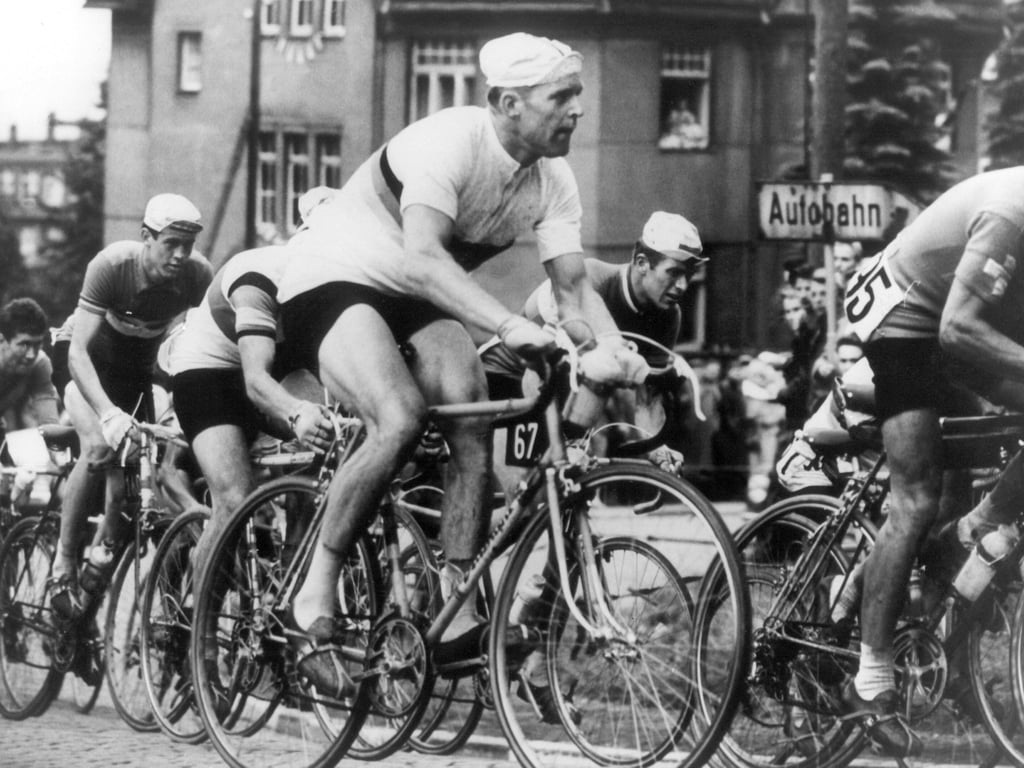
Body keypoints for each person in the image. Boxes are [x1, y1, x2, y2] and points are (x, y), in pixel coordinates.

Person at [275, 31, 641, 697]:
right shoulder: (450, 139)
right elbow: (420, 256)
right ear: (508, 102)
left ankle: (455, 611)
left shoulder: (552, 179)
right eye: (562, 97)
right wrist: (506, 324)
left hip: (410, 296)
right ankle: (315, 590)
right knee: (400, 417)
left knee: (473, 415)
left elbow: (572, 290)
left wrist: (613, 349)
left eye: (577, 96)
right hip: (330, 278)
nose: (577, 110)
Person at [840, 167, 1024, 757]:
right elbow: (957, 330)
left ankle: (973, 528)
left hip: (956, 313)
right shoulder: (1010, 215)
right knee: (916, 501)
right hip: (907, 320)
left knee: (956, 505)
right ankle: (870, 681)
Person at [49, 193, 213, 620]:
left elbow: (201, 349)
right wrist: (106, 413)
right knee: (100, 448)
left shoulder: (198, 276)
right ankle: (62, 565)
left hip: (135, 373)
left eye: (188, 246)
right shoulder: (112, 265)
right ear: (146, 237)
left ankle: (93, 580)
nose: (180, 256)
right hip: (84, 362)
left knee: (134, 489)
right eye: (170, 244)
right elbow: (77, 354)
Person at [167, 242, 334, 570]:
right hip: (207, 374)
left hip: (273, 367)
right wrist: (297, 413)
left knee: (319, 461)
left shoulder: (333, 280)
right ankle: (202, 609)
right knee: (235, 499)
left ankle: (289, 583)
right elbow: (256, 382)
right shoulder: (258, 278)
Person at [481, 209, 703, 451]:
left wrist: (655, 449)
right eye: (674, 273)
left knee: (576, 469)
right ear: (641, 263)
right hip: (506, 376)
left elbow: (649, 398)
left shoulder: (669, 315)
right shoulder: (592, 278)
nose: (682, 286)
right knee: (532, 478)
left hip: (554, 392)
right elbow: (540, 370)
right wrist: (567, 444)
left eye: (689, 275)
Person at [0, 298, 60, 432]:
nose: (31, 355)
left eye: (37, 344)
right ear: (2, 340)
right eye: (24, 344)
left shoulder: (40, 364)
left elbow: (50, 425)